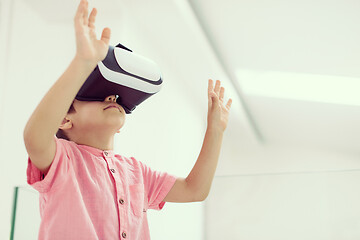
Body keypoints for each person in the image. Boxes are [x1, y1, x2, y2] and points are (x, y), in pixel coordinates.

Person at [23, 0, 232, 239]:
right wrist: (83, 63)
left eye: (116, 98)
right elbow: (35, 137)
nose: (113, 97)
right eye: (100, 95)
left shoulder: (136, 172)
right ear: (64, 120)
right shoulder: (63, 160)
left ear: (119, 129)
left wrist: (215, 131)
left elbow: (194, 190)